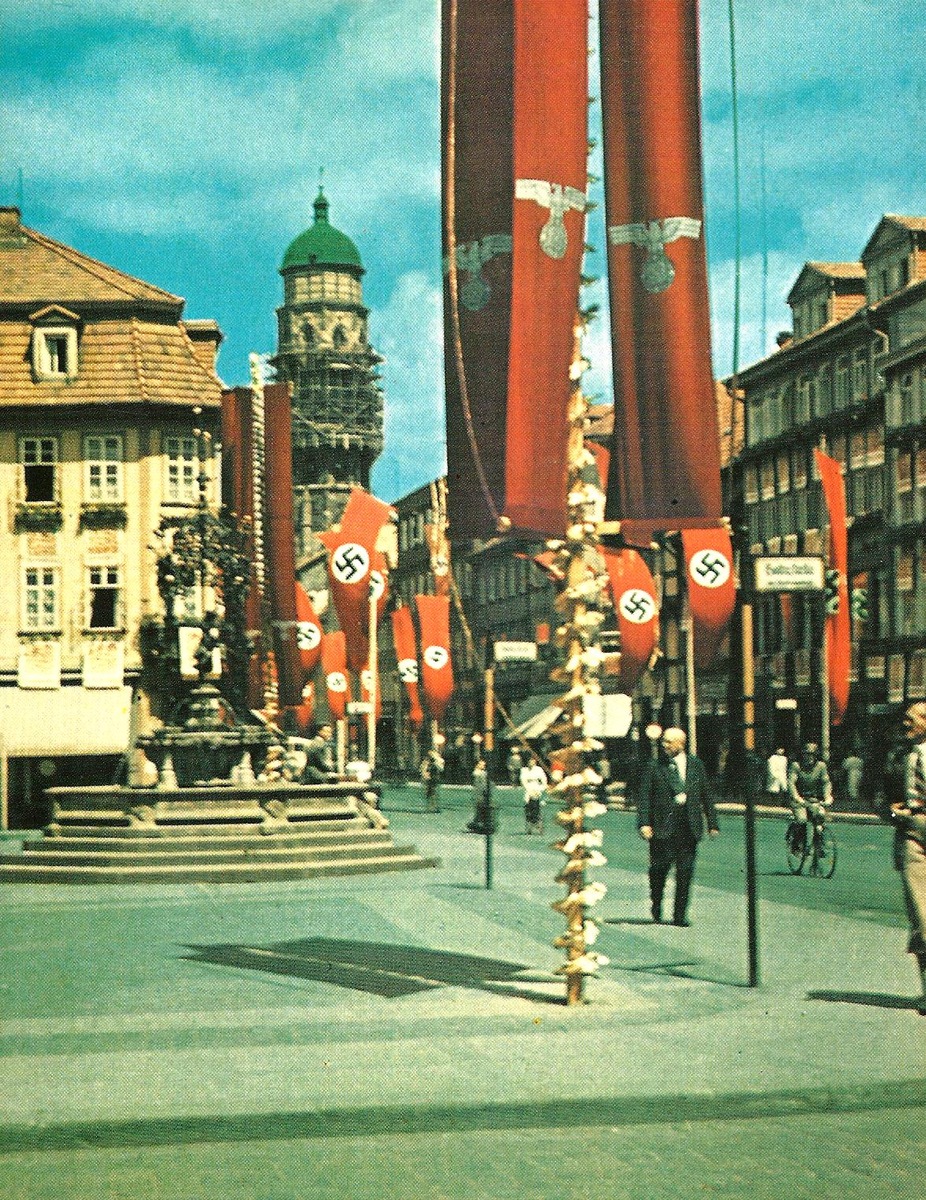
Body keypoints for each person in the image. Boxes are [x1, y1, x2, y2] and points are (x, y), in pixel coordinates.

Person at [636, 727, 719, 927]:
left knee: (685, 872)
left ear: (680, 744)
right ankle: (656, 902)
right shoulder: (654, 766)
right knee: (659, 871)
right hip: (662, 829)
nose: (664, 745)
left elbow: (706, 794)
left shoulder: (696, 765)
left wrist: (712, 823)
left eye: (668, 742)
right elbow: (644, 797)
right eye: (663, 741)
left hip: (688, 828)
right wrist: (644, 823)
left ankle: (679, 915)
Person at [880, 703, 926, 1015]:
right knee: (922, 919)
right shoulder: (898, 757)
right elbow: (880, 798)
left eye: (914, 718)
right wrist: (894, 812)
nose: (907, 723)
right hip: (913, 839)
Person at [787, 742, 832, 852]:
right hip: (799, 800)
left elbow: (826, 782)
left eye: (812, 754)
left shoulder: (821, 766)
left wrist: (828, 797)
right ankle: (796, 843)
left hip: (814, 799)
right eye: (807, 754)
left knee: (820, 817)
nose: (809, 757)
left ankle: (819, 845)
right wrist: (796, 797)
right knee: (802, 820)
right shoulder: (796, 766)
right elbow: (791, 783)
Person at [520, 756, 548, 834]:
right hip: (529, 789)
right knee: (528, 807)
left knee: (538, 808)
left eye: (533, 762)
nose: (531, 764)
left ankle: (539, 826)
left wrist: (542, 788)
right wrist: (528, 790)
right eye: (530, 762)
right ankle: (529, 827)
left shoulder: (539, 770)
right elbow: (523, 780)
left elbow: (543, 779)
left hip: (537, 788)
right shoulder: (524, 770)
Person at [466, 759, 495, 834]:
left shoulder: (482, 773)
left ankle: (477, 823)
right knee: (480, 808)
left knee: (480, 809)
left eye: (484, 765)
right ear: (477, 765)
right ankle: (479, 824)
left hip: (482, 793)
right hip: (480, 793)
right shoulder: (478, 773)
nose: (483, 766)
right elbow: (481, 784)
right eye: (481, 764)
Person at [420, 737, 445, 813]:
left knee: (434, 793)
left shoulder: (436, 762)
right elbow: (423, 770)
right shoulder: (427, 762)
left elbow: (441, 768)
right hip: (430, 779)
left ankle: (434, 807)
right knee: (430, 793)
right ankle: (431, 807)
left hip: (434, 779)